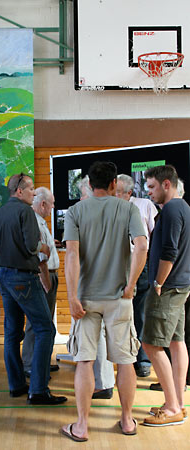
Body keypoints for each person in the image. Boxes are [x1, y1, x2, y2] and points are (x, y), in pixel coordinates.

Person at [60, 161, 147, 441]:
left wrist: (72, 296)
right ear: (113, 184)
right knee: (125, 362)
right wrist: (131, 284)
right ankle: (126, 420)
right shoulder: (128, 208)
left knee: (85, 361)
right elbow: (142, 246)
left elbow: (71, 254)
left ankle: (82, 425)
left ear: (88, 183)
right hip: (119, 297)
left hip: (85, 300)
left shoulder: (75, 211)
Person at [0, 172, 67, 405]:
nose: (34, 193)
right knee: (45, 330)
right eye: (31, 189)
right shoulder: (26, 212)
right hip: (24, 276)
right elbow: (33, 245)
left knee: (12, 333)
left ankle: (16, 385)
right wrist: (44, 246)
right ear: (20, 191)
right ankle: (39, 390)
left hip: (3, 276)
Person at [141, 165, 190, 427]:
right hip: (179, 284)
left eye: (151, 187)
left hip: (168, 286)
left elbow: (169, 251)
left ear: (167, 184)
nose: (148, 192)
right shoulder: (183, 207)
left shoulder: (171, 209)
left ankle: (172, 408)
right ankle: (177, 402)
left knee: (151, 344)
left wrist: (159, 281)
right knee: (175, 342)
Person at [116, 174, 158, 378]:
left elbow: (154, 235)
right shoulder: (112, 208)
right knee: (122, 314)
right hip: (118, 266)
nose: (114, 195)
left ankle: (142, 361)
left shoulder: (145, 205)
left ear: (129, 193)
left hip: (141, 263)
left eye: (118, 192)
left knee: (140, 314)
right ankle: (125, 358)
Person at [77, 175, 115, 399]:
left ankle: (101, 384)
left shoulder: (89, 217)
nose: (81, 199)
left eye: (82, 194)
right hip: (108, 286)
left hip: (93, 287)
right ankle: (103, 381)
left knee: (95, 337)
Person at [22, 187, 60, 376]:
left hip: (49, 274)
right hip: (43, 276)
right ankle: (31, 364)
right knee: (37, 323)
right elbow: (39, 257)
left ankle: (42, 361)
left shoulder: (40, 222)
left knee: (45, 322)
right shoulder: (34, 223)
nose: (53, 207)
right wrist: (46, 281)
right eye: (52, 204)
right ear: (43, 204)